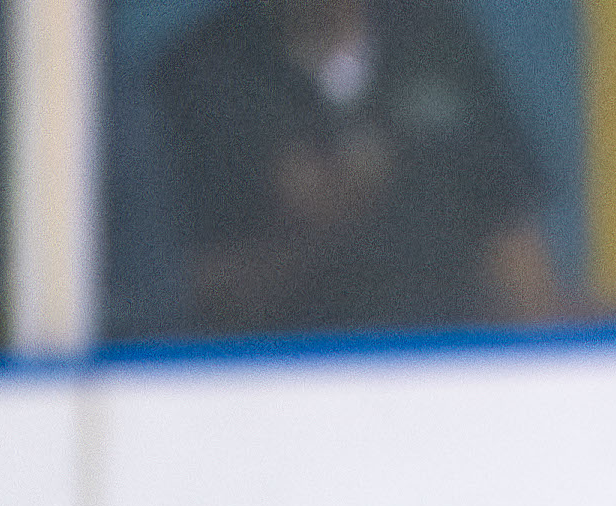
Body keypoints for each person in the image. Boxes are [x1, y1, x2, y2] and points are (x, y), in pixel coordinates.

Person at [145, 0, 552, 337]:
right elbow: (179, 296)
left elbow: (512, 244)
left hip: (444, 371)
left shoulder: (436, 40)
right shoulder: (203, 73)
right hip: (270, 387)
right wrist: (318, 229)